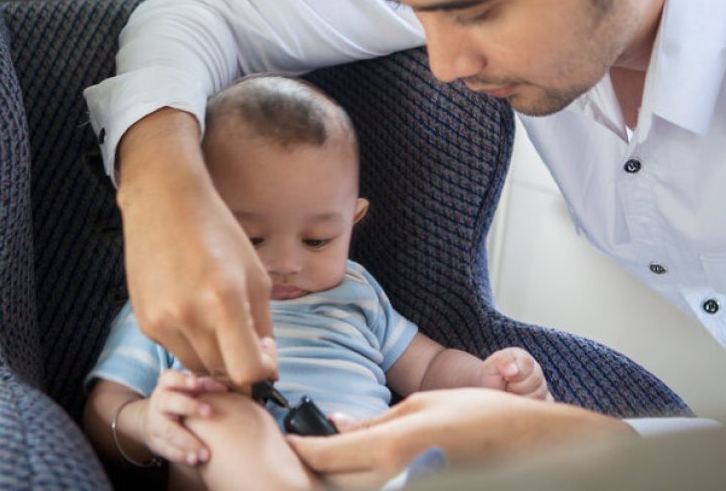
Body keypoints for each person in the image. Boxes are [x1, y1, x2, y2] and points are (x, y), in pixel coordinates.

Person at [82, 0, 726, 478]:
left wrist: (546, 436)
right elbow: (197, 16)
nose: (445, 65)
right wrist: (161, 198)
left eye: (475, 14)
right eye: (413, 11)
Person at [82, 75, 555, 490]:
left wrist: (485, 380)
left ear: (354, 221)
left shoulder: (357, 291)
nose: (285, 263)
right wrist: (149, 423)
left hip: (364, 459)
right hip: (234, 467)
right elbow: (104, 409)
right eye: (251, 238)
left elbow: (428, 369)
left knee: (424, 432)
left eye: (317, 240)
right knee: (221, 415)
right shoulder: (177, 295)